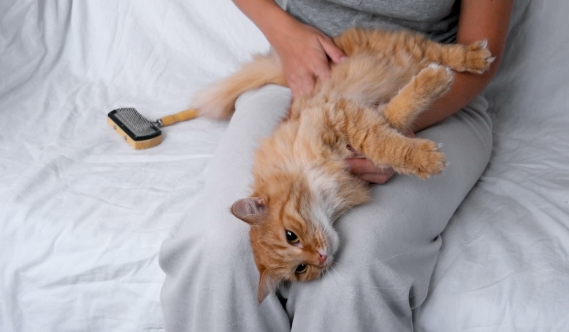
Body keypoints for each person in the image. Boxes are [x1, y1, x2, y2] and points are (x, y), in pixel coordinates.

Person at [160, 0, 514, 331]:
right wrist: (284, 34)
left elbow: (482, 54)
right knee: (217, 251)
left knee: (355, 275)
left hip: (434, 91)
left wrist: (387, 133)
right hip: (300, 78)